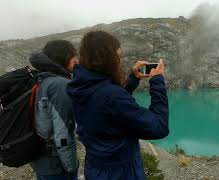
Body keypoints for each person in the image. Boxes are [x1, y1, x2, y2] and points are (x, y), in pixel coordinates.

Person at [66, 30, 169, 180]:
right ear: (107, 60)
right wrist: (157, 82)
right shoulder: (111, 96)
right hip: (120, 173)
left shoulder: (81, 87)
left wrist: (133, 79)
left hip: (97, 168)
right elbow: (159, 127)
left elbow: (109, 109)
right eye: (118, 57)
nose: (120, 61)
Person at [29, 40, 79, 180]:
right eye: (73, 55)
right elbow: (63, 133)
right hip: (56, 166)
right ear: (62, 57)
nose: (77, 59)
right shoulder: (60, 85)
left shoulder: (43, 78)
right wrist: (71, 167)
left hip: (42, 160)